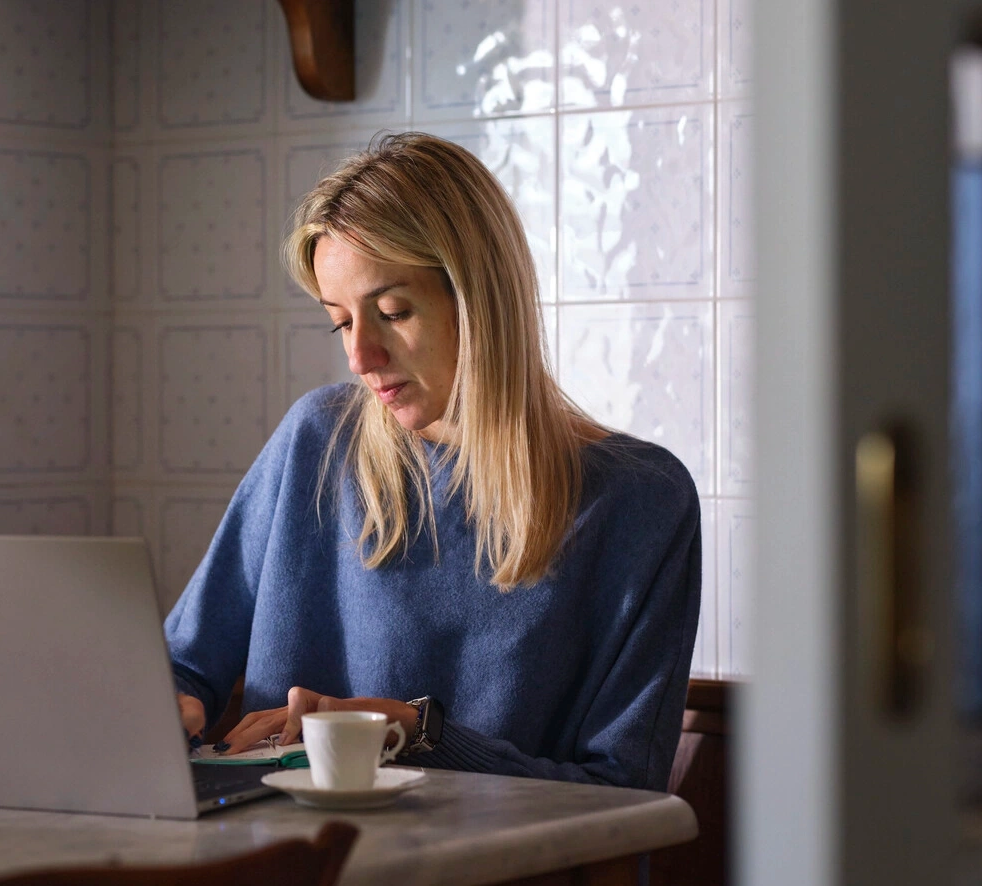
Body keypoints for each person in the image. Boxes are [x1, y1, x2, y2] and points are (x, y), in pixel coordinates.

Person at [163, 132, 701, 791]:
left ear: (478, 301)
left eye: (392, 312)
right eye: (341, 321)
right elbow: (182, 665)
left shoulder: (641, 500)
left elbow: (625, 792)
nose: (360, 357)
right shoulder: (316, 439)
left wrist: (415, 732)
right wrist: (169, 706)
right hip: (281, 845)